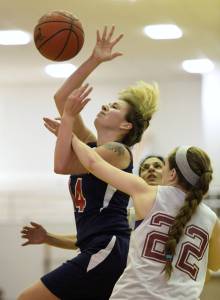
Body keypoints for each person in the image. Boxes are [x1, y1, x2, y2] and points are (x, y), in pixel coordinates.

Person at [18, 23, 159, 300]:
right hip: (97, 247)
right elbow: (61, 97)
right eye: (108, 103)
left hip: (108, 248)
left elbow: (60, 166)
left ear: (127, 126)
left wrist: (69, 123)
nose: (106, 105)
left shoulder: (118, 152)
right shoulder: (93, 145)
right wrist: (94, 59)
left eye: (115, 107)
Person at [64, 95, 219, 300]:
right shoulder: (212, 219)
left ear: (171, 174)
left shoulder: (147, 192)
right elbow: (215, 264)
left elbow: (93, 164)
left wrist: (67, 128)